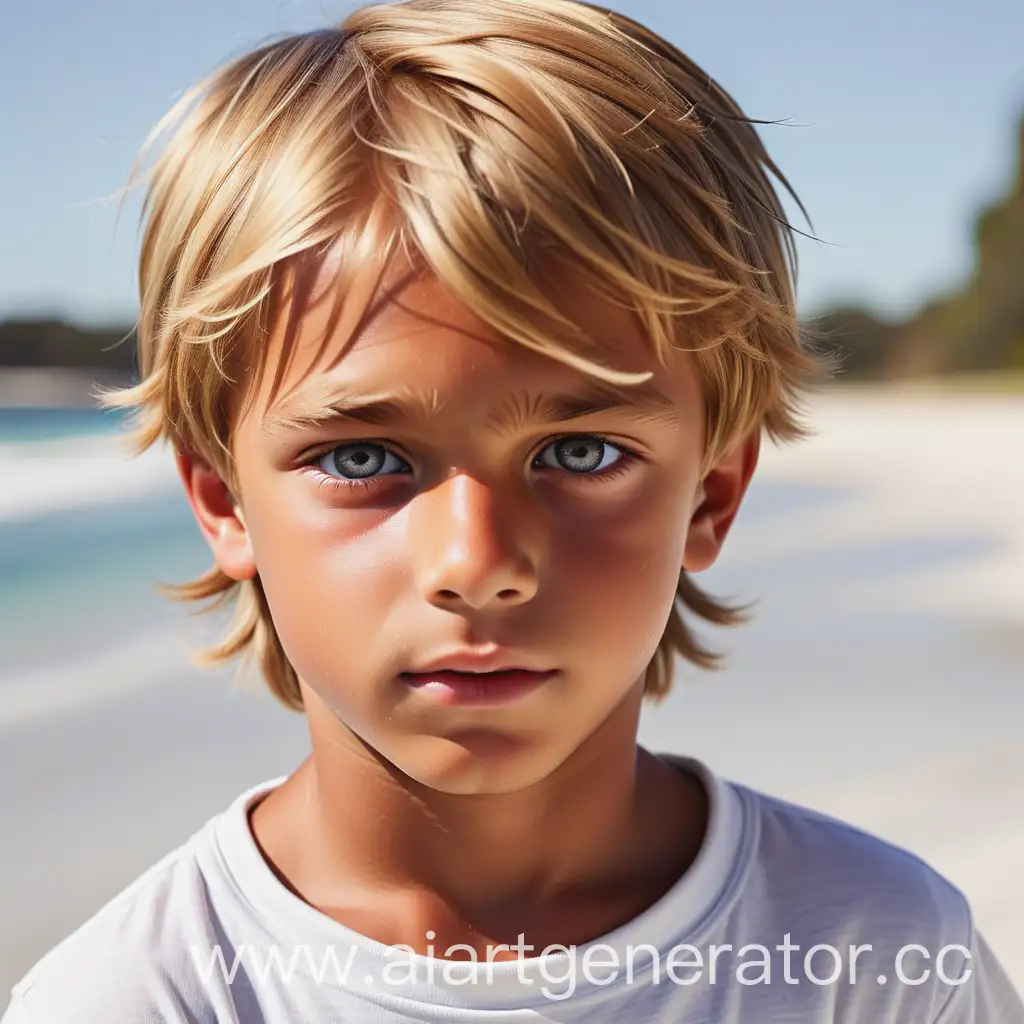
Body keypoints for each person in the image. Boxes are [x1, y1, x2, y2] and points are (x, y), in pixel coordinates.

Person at [4, 0, 1021, 1020]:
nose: (474, 559)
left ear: (711, 491)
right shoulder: (132, 1000)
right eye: (363, 456)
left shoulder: (874, 958)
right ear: (223, 501)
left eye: (580, 453)